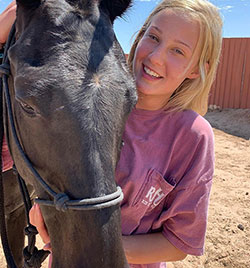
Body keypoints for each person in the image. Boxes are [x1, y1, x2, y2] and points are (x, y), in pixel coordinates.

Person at [0, 0, 223, 267]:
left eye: (178, 51)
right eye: (153, 37)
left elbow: (179, 243)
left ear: (198, 69)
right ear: (139, 36)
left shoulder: (193, 136)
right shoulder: (88, 104)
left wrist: (96, 249)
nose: (156, 57)